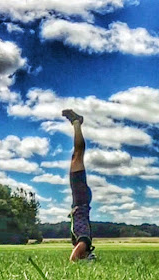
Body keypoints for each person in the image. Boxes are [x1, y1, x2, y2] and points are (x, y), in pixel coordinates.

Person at [62, 109, 95, 262]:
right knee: (77, 155)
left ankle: (76, 123)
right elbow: (73, 258)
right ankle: (77, 122)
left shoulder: (86, 240)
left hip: (81, 201)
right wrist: (73, 265)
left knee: (76, 156)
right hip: (81, 200)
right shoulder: (85, 240)